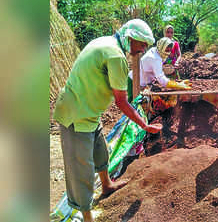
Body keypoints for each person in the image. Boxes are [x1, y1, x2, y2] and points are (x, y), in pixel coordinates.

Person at [53, 19, 162, 222]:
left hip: (88, 112)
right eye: (142, 44)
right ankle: (86, 215)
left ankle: (106, 185)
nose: (143, 49)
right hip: (76, 115)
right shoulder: (115, 56)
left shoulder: (106, 42)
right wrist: (144, 125)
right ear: (131, 38)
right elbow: (122, 102)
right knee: (81, 169)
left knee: (101, 152)